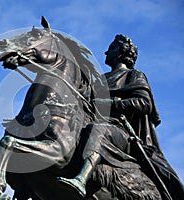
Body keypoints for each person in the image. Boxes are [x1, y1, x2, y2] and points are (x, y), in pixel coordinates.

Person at [57, 34, 184, 199]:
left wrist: (111, 104)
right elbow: (83, 98)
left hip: (121, 131)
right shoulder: (100, 81)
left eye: (111, 48)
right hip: (91, 122)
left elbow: (144, 103)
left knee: (99, 129)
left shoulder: (134, 75)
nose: (105, 52)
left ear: (122, 52)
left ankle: (81, 179)